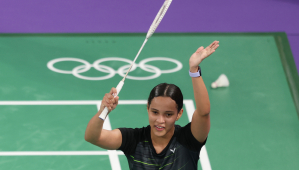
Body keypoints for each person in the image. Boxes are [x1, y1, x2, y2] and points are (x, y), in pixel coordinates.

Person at [85, 41, 219, 170]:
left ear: (179, 113)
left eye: (168, 114)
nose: (160, 120)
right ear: (148, 108)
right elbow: (92, 137)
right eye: (155, 112)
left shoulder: (188, 139)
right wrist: (103, 112)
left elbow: (203, 112)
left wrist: (194, 70)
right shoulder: (134, 140)